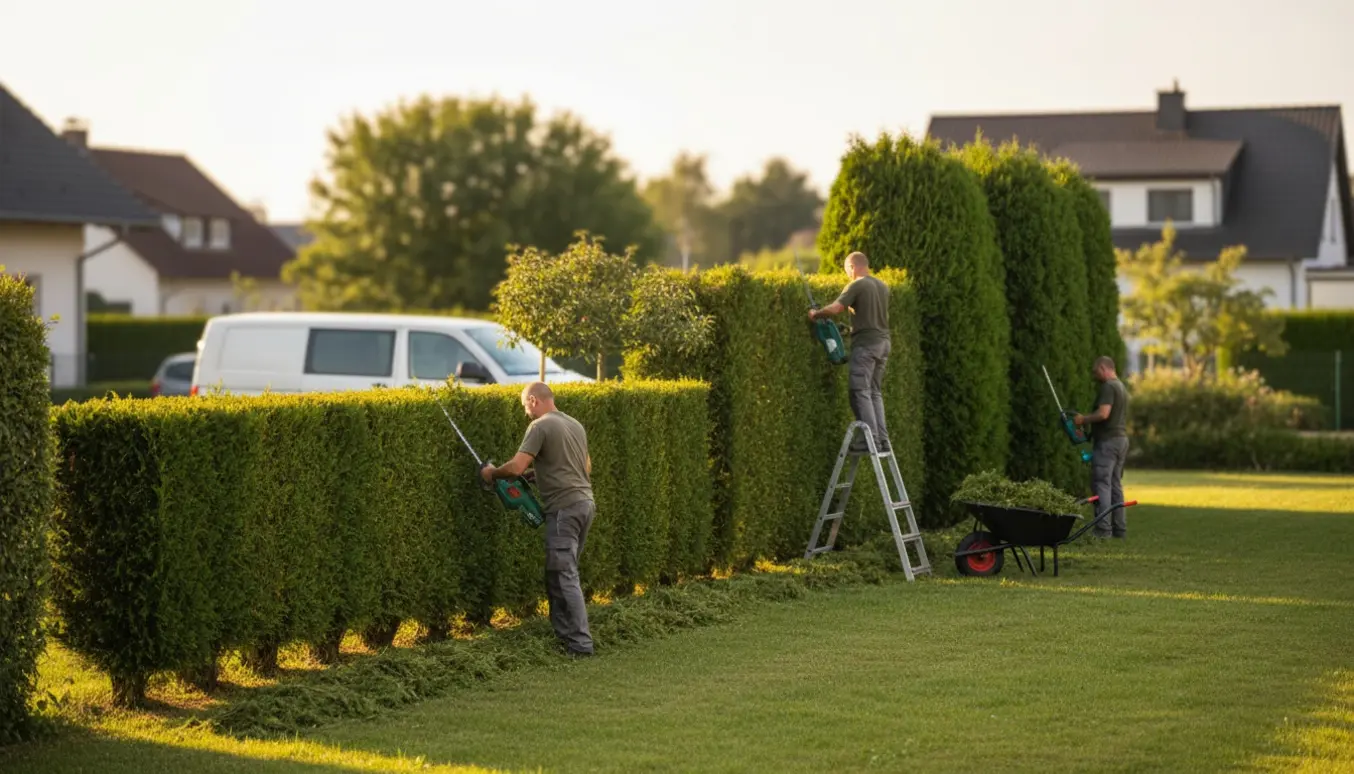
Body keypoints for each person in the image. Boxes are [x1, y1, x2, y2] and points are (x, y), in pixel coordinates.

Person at [480, 381, 596, 656]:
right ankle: (565, 638)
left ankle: (581, 645)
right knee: (559, 575)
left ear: (533, 400)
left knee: (565, 576)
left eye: (525, 406)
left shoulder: (540, 426)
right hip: (585, 504)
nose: (526, 413)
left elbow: (516, 466)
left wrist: (491, 474)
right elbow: (585, 468)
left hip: (564, 509)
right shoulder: (574, 424)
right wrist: (539, 475)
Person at [808, 251, 892, 452]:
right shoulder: (882, 286)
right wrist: (850, 330)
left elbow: (837, 308)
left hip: (866, 346)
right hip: (883, 343)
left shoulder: (857, 284)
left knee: (859, 391)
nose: (847, 275)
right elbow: (869, 317)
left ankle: (868, 440)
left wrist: (816, 313)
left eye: (847, 270)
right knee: (874, 392)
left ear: (852, 267)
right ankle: (882, 440)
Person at [1074, 356, 1131, 538]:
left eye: (1095, 371)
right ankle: (1119, 529)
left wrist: (1084, 419)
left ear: (1103, 368)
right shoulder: (1121, 386)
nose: (1094, 375)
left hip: (1108, 443)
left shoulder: (1108, 387)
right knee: (1115, 485)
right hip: (1121, 440)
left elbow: (1103, 413)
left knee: (1102, 485)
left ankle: (1103, 530)